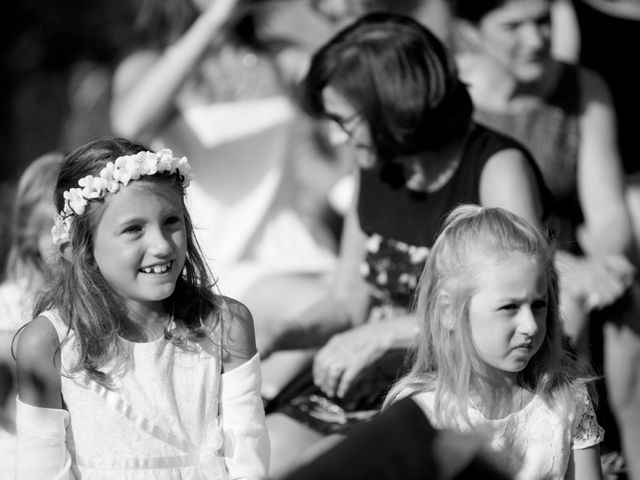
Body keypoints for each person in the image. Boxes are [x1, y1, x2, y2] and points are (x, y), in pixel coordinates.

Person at [259, 12, 552, 477]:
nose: (337, 135)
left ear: (391, 108)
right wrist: (275, 336)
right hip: (370, 377)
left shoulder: (497, 166)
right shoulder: (376, 164)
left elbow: (518, 303)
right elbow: (349, 301)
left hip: (457, 384)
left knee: (329, 466)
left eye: (345, 120)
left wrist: (380, 334)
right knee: (261, 455)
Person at [110, 0, 341, 403]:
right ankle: (249, 404)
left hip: (294, 244)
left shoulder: (279, 59)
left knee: (367, 301)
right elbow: (131, 123)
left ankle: (249, 403)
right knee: (330, 310)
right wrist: (215, 17)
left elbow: (360, 91)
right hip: (218, 255)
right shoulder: (148, 64)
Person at [446, 1, 636, 473]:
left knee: (626, 311)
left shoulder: (582, 89)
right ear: (471, 30)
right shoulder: (453, 94)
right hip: (492, 260)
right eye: (513, 25)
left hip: (575, 254)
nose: (535, 39)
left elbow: (609, 209)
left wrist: (606, 267)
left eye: (543, 21)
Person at [14, 138, 269, 479]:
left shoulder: (226, 326)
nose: (162, 245)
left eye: (171, 222)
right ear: (81, 248)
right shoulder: (48, 345)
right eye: (134, 229)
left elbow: (248, 463)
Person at [385, 204, 604, 480]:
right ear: (449, 310)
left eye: (538, 305)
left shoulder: (566, 401)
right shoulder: (423, 414)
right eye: (509, 307)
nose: (531, 325)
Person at [0, 153, 63, 479]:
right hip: (16, 452)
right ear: (30, 238)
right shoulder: (9, 303)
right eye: (54, 230)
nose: (69, 243)